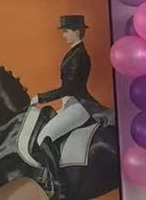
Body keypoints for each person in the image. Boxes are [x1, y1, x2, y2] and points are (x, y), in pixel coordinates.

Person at [31, 15, 112, 196]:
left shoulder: (79, 56)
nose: (64, 35)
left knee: (44, 137)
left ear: (76, 32)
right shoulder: (74, 52)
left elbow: (69, 88)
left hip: (79, 104)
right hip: (69, 103)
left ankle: (59, 184)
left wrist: (41, 97)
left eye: (66, 31)